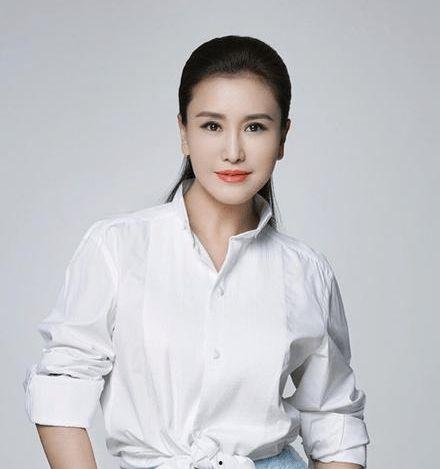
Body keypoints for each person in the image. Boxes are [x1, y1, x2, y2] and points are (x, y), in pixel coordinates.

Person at [23, 35, 370, 469]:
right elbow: (61, 388)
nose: (233, 152)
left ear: (282, 138)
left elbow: (334, 417)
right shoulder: (116, 248)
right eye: (211, 126)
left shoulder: (306, 272)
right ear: (183, 133)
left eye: (255, 127)